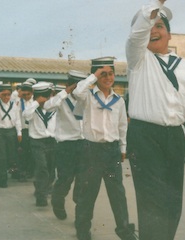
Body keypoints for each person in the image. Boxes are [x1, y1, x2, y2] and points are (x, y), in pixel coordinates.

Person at [125, 1, 185, 239]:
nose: (154, 31)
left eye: (160, 26)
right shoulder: (138, 59)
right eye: (150, 26)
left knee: (172, 200)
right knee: (151, 201)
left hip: (174, 137)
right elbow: (137, 35)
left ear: (169, 33)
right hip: (144, 136)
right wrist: (156, 4)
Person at [73, 57, 136, 240]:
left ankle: (124, 230)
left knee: (117, 193)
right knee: (88, 192)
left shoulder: (118, 100)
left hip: (112, 151)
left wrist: (122, 148)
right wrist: (93, 76)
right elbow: (78, 91)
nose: (108, 77)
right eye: (103, 74)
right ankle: (83, 230)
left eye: (110, 73)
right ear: (96, 75)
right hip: (91, 151)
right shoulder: (88, 97)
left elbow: (122, 126)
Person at [43, 70, 87, 220]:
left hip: (84, 144)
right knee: (66, 178)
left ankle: (80, 211)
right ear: (70, 85)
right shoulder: (61, 99)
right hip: (66, 145)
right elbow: (48, 106)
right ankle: (58, 199)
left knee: (83, 180)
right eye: (77, 86)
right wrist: (64, 92)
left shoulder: (86, 99)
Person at [22, 82, 57, 207]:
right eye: (42, 97)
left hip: (52, 141)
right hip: (37, 141)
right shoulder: (32, 108)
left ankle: (42, 188)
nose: (45, 100)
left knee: (51, 170)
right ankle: (41, 196)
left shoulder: (53, 107)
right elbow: (25, 115)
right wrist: (37, 102)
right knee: (42, 168)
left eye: (47, 96)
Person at [0, 84, 22, 188]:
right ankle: (2, 180)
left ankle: (10, 173)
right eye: (4, 94)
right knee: (1, 156)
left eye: (8, 94)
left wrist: (19, 132)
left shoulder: (14, 104)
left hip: (10, 131)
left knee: (11, 156)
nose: (6, 97)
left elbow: (17, 119)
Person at [17, 81, 34, 181]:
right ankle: (22, 173)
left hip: (33, 130)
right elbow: (17, 118)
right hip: (23, 130)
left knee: (32, 152)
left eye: (29, 94)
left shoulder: (34, 102)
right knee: (22, 153)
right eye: (24, 94)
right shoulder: (18, 102)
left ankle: (30, 172)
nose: (26, 96)